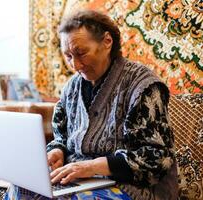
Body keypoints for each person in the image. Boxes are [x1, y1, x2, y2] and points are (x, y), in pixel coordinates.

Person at [43, 10, 178, 200]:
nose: (76, 65)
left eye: (81, 53)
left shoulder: (142, 85)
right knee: (22, 189)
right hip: (80, 180)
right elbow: (61, 137)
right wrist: (57, 151)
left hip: (133, 187)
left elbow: (156, 158)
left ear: (107, 42)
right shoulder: (71, 88)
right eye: (68, 56)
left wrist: (92, 167)